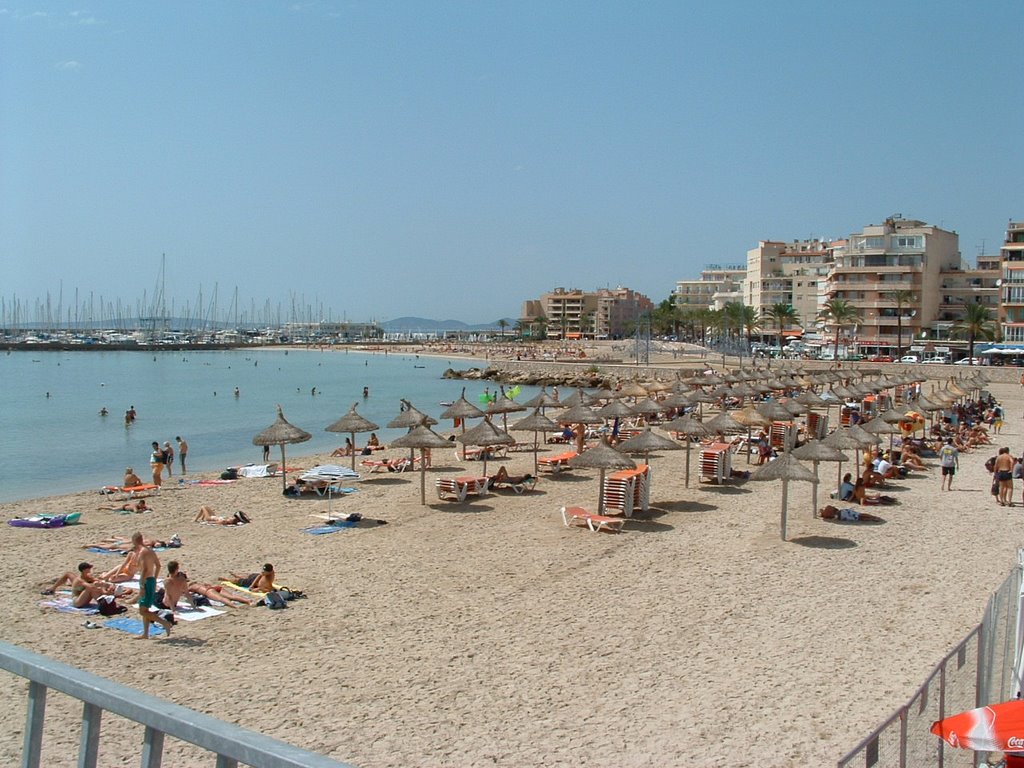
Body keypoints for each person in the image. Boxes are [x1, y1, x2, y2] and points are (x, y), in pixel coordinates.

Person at [134, 532, 173, 639]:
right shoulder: (150, 551)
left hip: (146, 581)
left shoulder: (142, 552)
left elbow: (145, 569)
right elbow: (158, 565)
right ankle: (145, 633)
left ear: (135, 541)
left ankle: (165, 623)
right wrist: (154, 578)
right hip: (151, 580)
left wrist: (142, 585)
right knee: (145, 609)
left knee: (142, 610)